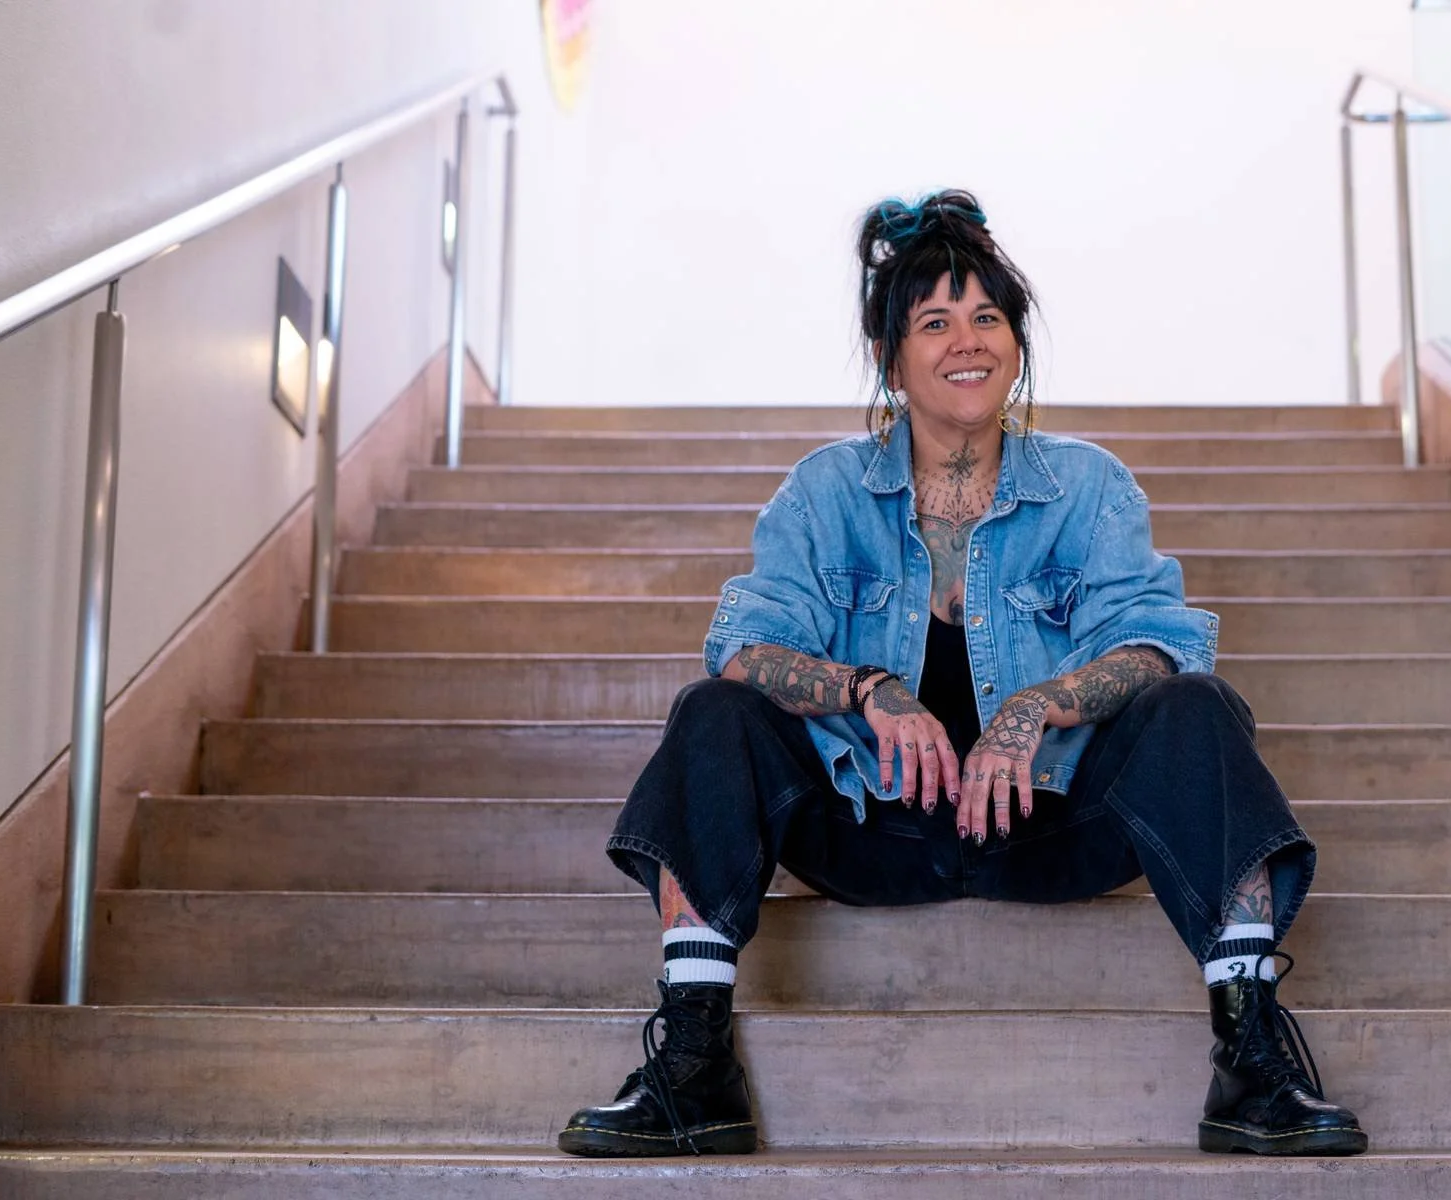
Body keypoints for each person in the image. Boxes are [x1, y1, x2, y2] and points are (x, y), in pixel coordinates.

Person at [556, 190, 1366, 1159]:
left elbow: (1156, 643)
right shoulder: (823, 492)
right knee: (714, 711)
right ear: (890, 357)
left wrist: (1039, 705)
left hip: (1054, 827)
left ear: (1017, 344)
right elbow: (746, 644)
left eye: (987, 317)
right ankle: (695, 1067)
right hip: (869, 831)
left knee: (1198, 704)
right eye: (934, 322)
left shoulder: (1091, 489)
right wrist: (868, 689)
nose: (966, 342)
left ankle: (1251, 1062)